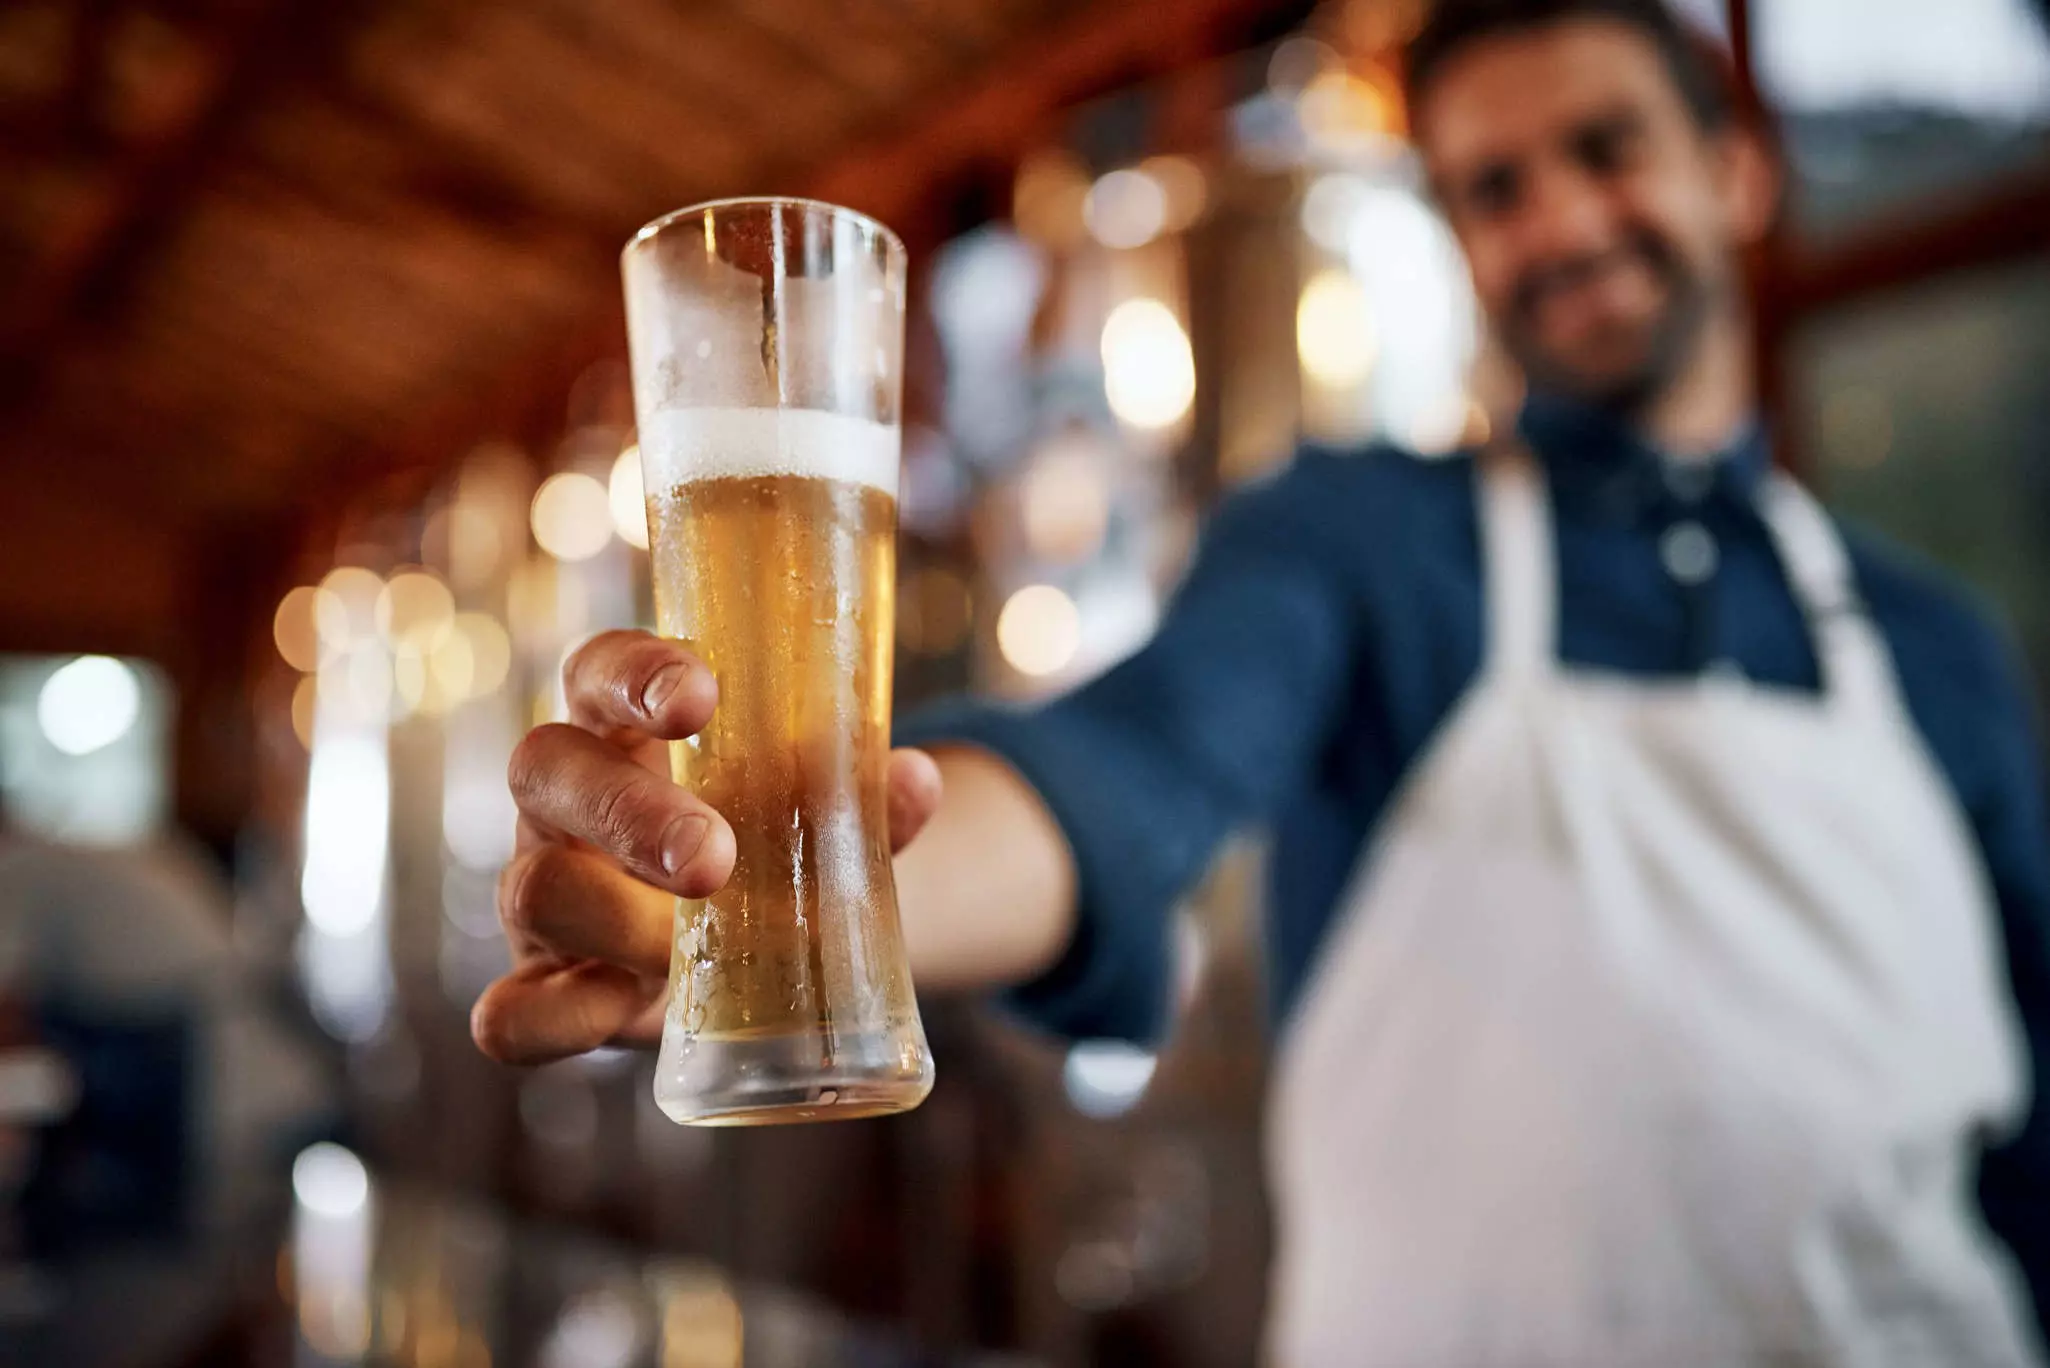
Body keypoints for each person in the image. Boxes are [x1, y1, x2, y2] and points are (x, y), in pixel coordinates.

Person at [471, 0, 2050, 1361]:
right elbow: (1119, 778)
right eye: (1493, 188)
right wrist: (775, 906)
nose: (1557, 221)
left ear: (1736, 173)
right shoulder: (1365, 540)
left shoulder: (1932, 644)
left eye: (1606, 150)